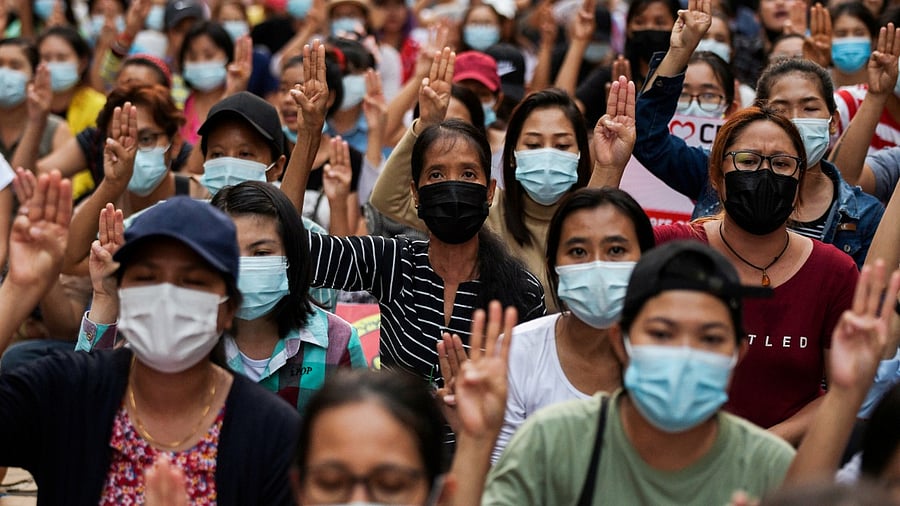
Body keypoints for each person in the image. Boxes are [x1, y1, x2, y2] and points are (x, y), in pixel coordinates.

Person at [0, 196, 300, 504]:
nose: (166, 298)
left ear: (227, 310)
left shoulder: (272, 435)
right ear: (122, 294)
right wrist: (17, 290)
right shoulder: (69, 391)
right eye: (146, 278)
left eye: (192, 282)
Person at [280, 41, 545, 386]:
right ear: (415, 193)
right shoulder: (392, 261)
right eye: (437, 174)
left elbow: (532, 390)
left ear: (490, 191)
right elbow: (289, 246)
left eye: (467, 175)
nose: (452, 186)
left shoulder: (523, 290)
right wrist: (310, 136)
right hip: (397, 436)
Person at [473, 241, 795, 505]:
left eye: (710, 338)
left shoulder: (770, 469)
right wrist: (476, 441)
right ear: (621, 342)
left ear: (738, 354)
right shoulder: (554, 441)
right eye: (661, 334)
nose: (683, 355)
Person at [370, 47, 630, 311]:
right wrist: (426, 125)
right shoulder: (484, 210)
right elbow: (388, 198)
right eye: (533, 144)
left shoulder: (589, 217)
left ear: (580, 154)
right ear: (512, 155)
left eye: (562, 146)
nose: (548, 155)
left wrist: (610, 166)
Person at [632, 0, 887, 268]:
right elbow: (649, 139)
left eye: (809, 107)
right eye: (781, 108)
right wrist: (679, 51)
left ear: (833, 121)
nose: (796, 119)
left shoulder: (865, 214)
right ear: (759, 114)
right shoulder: (716, 172)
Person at [77, 181, 369, 413]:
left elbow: (359, 439)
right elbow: (87, 399)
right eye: (231, 251)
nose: (243, 265)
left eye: (261, 252)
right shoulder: (179, 330)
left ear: (292, 257)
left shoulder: (337, 341)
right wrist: (104, 297)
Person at [482, 188, 655, 462]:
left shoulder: (669, 358)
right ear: (554, 268)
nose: (597, 266)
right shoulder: (517, 350)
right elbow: (502, 476)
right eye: (578, 251)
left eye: (616, 250)